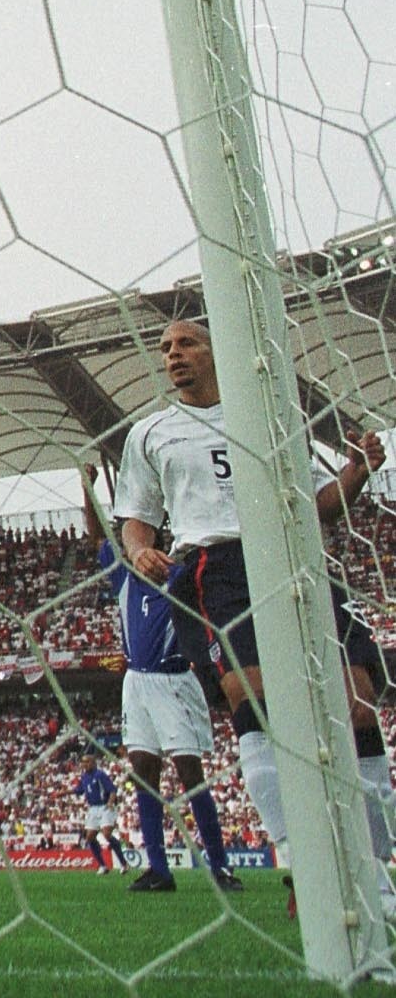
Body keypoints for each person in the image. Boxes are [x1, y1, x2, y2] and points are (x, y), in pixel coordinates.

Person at [115, 319, 390, 883]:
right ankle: (303, 864)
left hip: (293, 557)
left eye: (187, 342)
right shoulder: (150, 434)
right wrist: (141, 550)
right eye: (166, 348)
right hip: (213, 569)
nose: (173, 355)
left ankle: (376, 870)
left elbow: (316, 506)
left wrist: (356, 473)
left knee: (356, 701)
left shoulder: (270, 418)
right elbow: (135, 520)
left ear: (221, 349)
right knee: (257, 705)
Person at [79, 463, 240, 893]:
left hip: (174, 680)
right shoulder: (123, 574)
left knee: (190, 772)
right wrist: (86, 487)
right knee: (143, 772)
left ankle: (220, 866)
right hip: (137, 682)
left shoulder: (182, 575)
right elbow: (97, 537)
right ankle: (158, 869)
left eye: (146, 531)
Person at [74, 753, 125, 874]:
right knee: (90, 837)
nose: (85, 764)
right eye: (83, 762)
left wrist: (110, 803)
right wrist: (62, 793)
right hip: (93, 808)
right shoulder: (84, 777)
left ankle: (123, 863)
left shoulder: (100, 775)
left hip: (104, 806)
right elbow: (78, 790)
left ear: (93, 763)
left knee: (106, 834)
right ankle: (103, 865)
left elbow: (112, 790)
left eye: (87, 762)